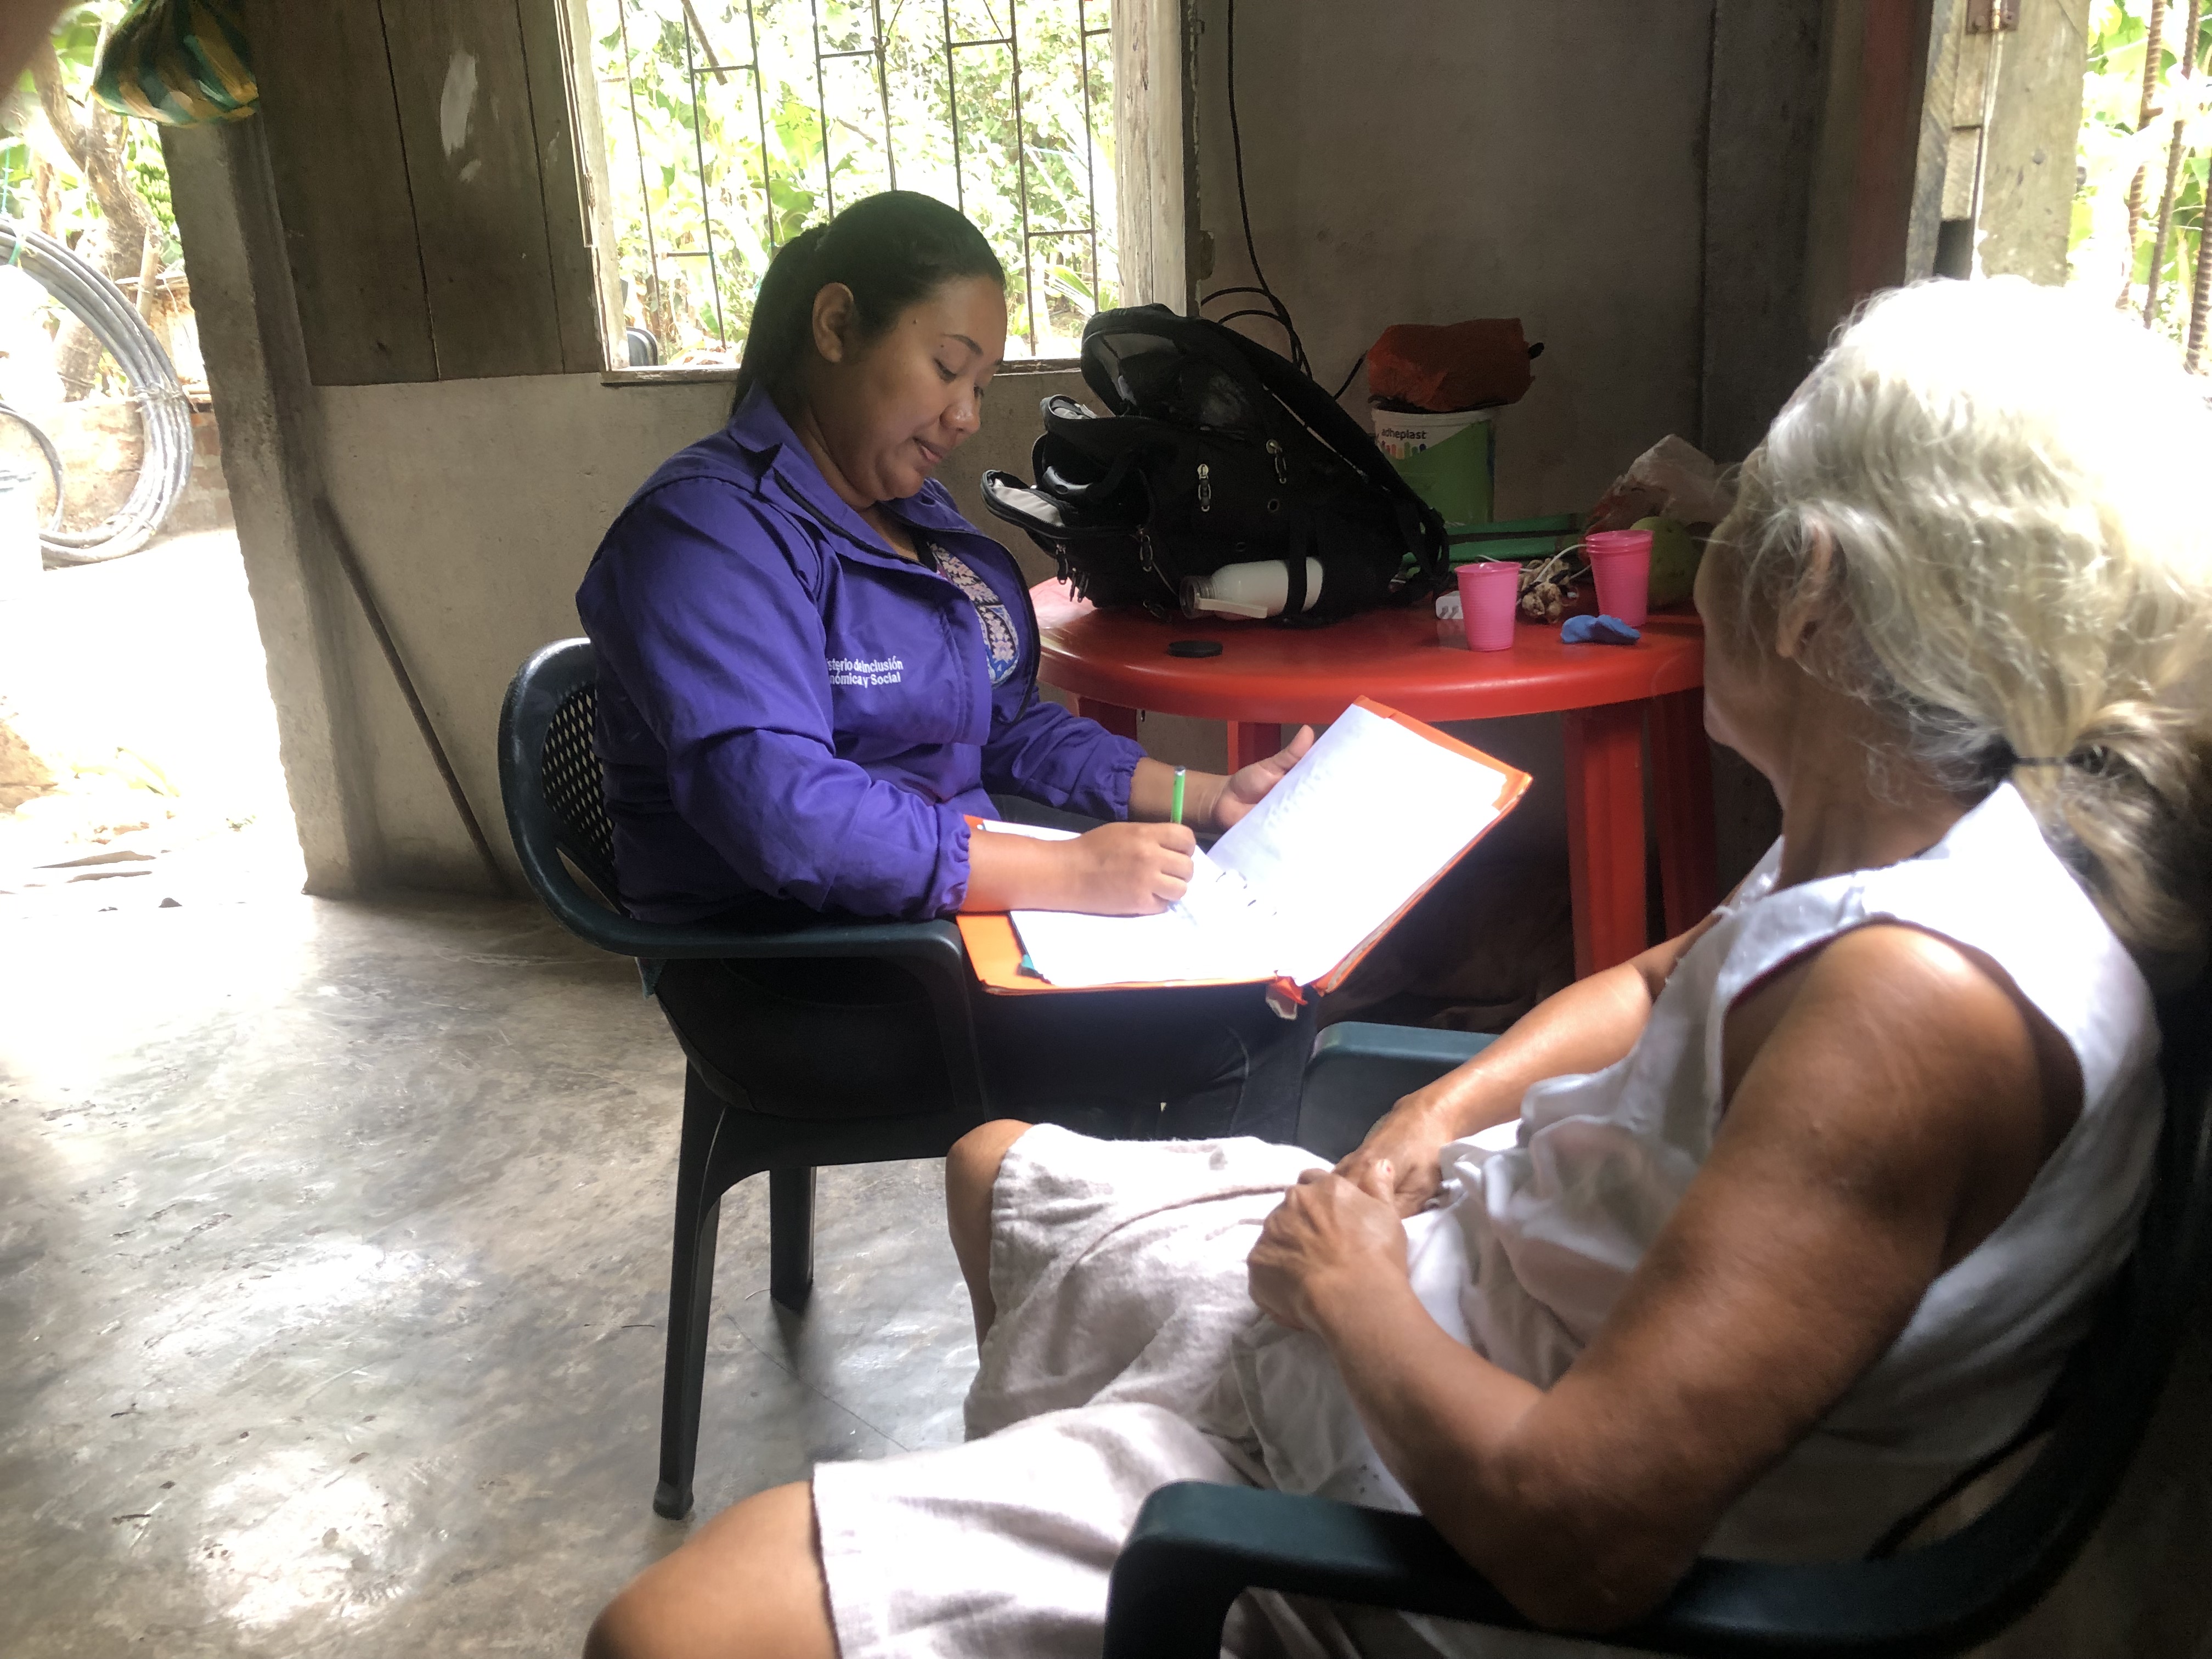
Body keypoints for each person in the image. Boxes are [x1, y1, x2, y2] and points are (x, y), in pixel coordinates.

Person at [583, 278, 2212, 1659]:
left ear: (1810, 593)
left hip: (1396, 1516)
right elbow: (1666, 983)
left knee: (668, 1628)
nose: (1691, 552)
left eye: (1721, 527)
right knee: (996, 1166)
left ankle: (1114, 1552)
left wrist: (1355, 1290)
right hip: (1418, 1297)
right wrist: (1440, 1120)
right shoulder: (1922, 830)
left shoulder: (1913, 1008)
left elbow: (1581, 1539)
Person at [577, 191, 1316, 1141]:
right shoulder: (707, 535)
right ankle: (1128, 1233)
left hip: (928, 919)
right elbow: (787, 814)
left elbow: (1001, 721)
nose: (966, 416)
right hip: (793, 971)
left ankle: (1111, 1216)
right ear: (836, 326)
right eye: (946, 368)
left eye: (983, 386)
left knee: (1261, 968)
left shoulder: (912, 520)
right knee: (1242, 1026)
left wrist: (1204, 798)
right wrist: (1064, 873)